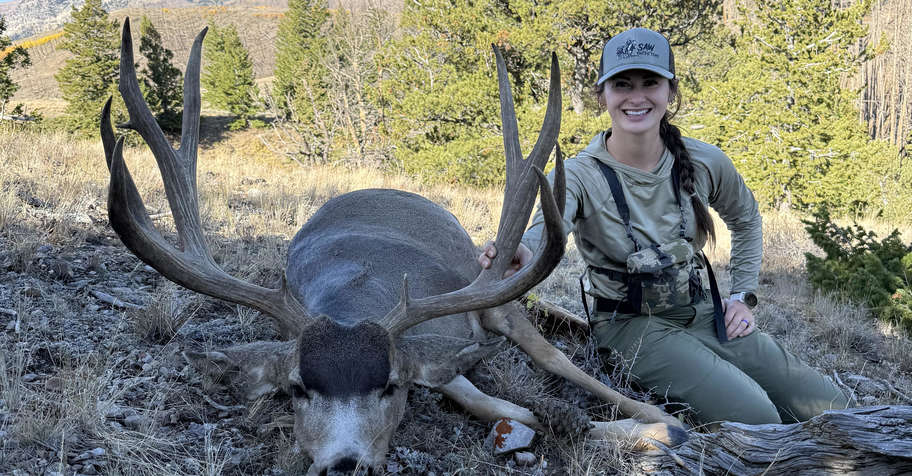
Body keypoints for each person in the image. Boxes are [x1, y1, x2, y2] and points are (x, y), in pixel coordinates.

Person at [478, 27, 852, 426]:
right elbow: (546, 227)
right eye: (622, 84)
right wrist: (524, 251)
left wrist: (742, 296)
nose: (636, 97)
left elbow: (746, 218)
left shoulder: (704, 161)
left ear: (670, 92)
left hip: (705, 314)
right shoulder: (579, 175)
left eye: (650, 83)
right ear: (602, 95)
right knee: (758, 417)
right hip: (630, 327)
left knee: (833, 407)